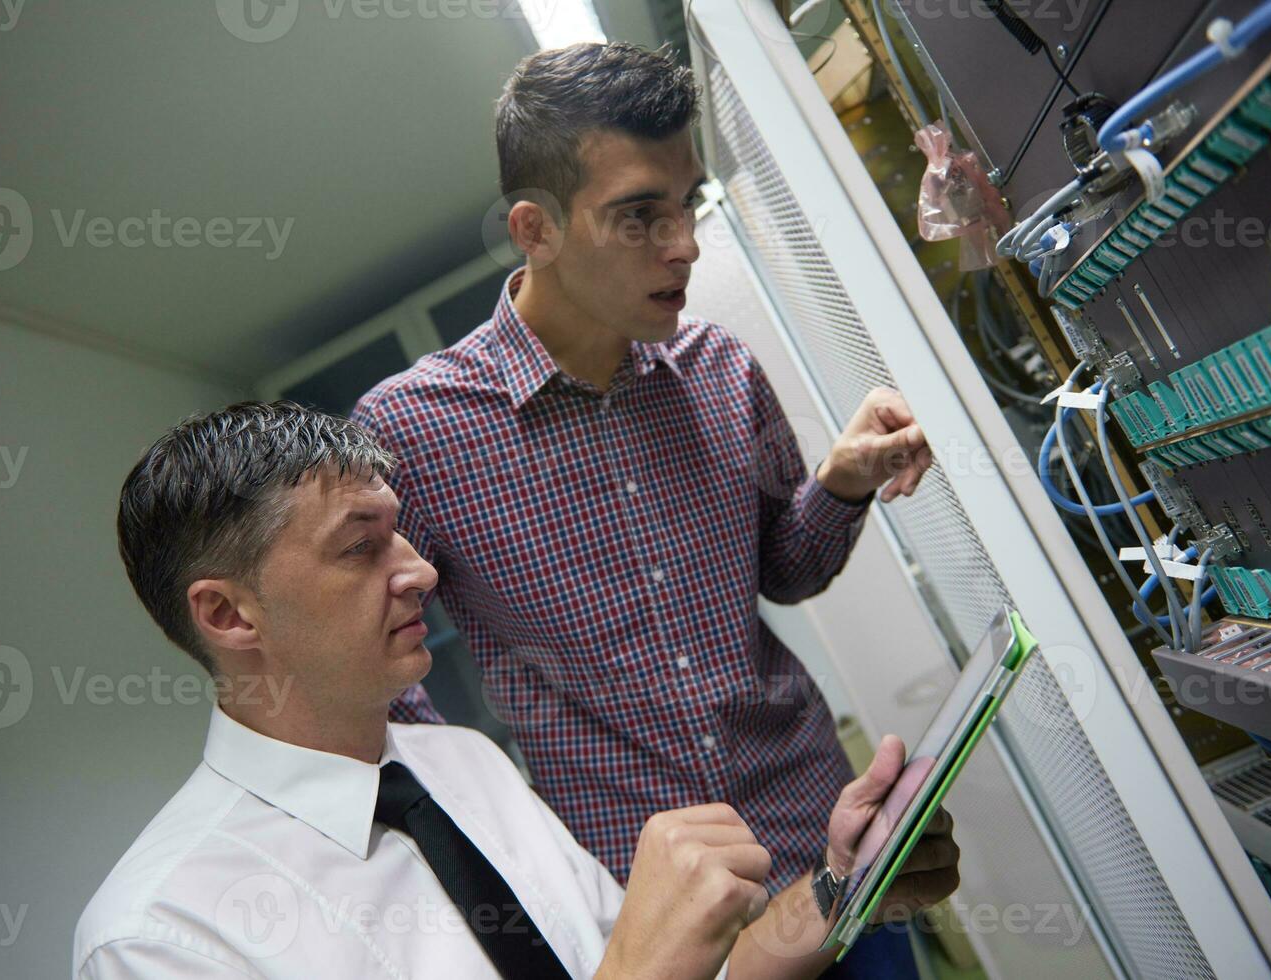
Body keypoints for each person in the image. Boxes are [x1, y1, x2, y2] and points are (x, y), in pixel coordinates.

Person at [350, 42, 934, 975]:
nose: (685, 243)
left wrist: (842, 483)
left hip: (826, 837)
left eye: (687, 203)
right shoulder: (410, 427)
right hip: (648, 901)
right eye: (638, 216)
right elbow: (383, 673)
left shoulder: (720, 369)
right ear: (534, 229)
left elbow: (785, 572)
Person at [73, 402, 959, 979]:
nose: (419, 569)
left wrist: (846, 881)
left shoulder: (464, 765)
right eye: (360, 546)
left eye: (401, 534)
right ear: (229, 614)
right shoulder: (162, 936)